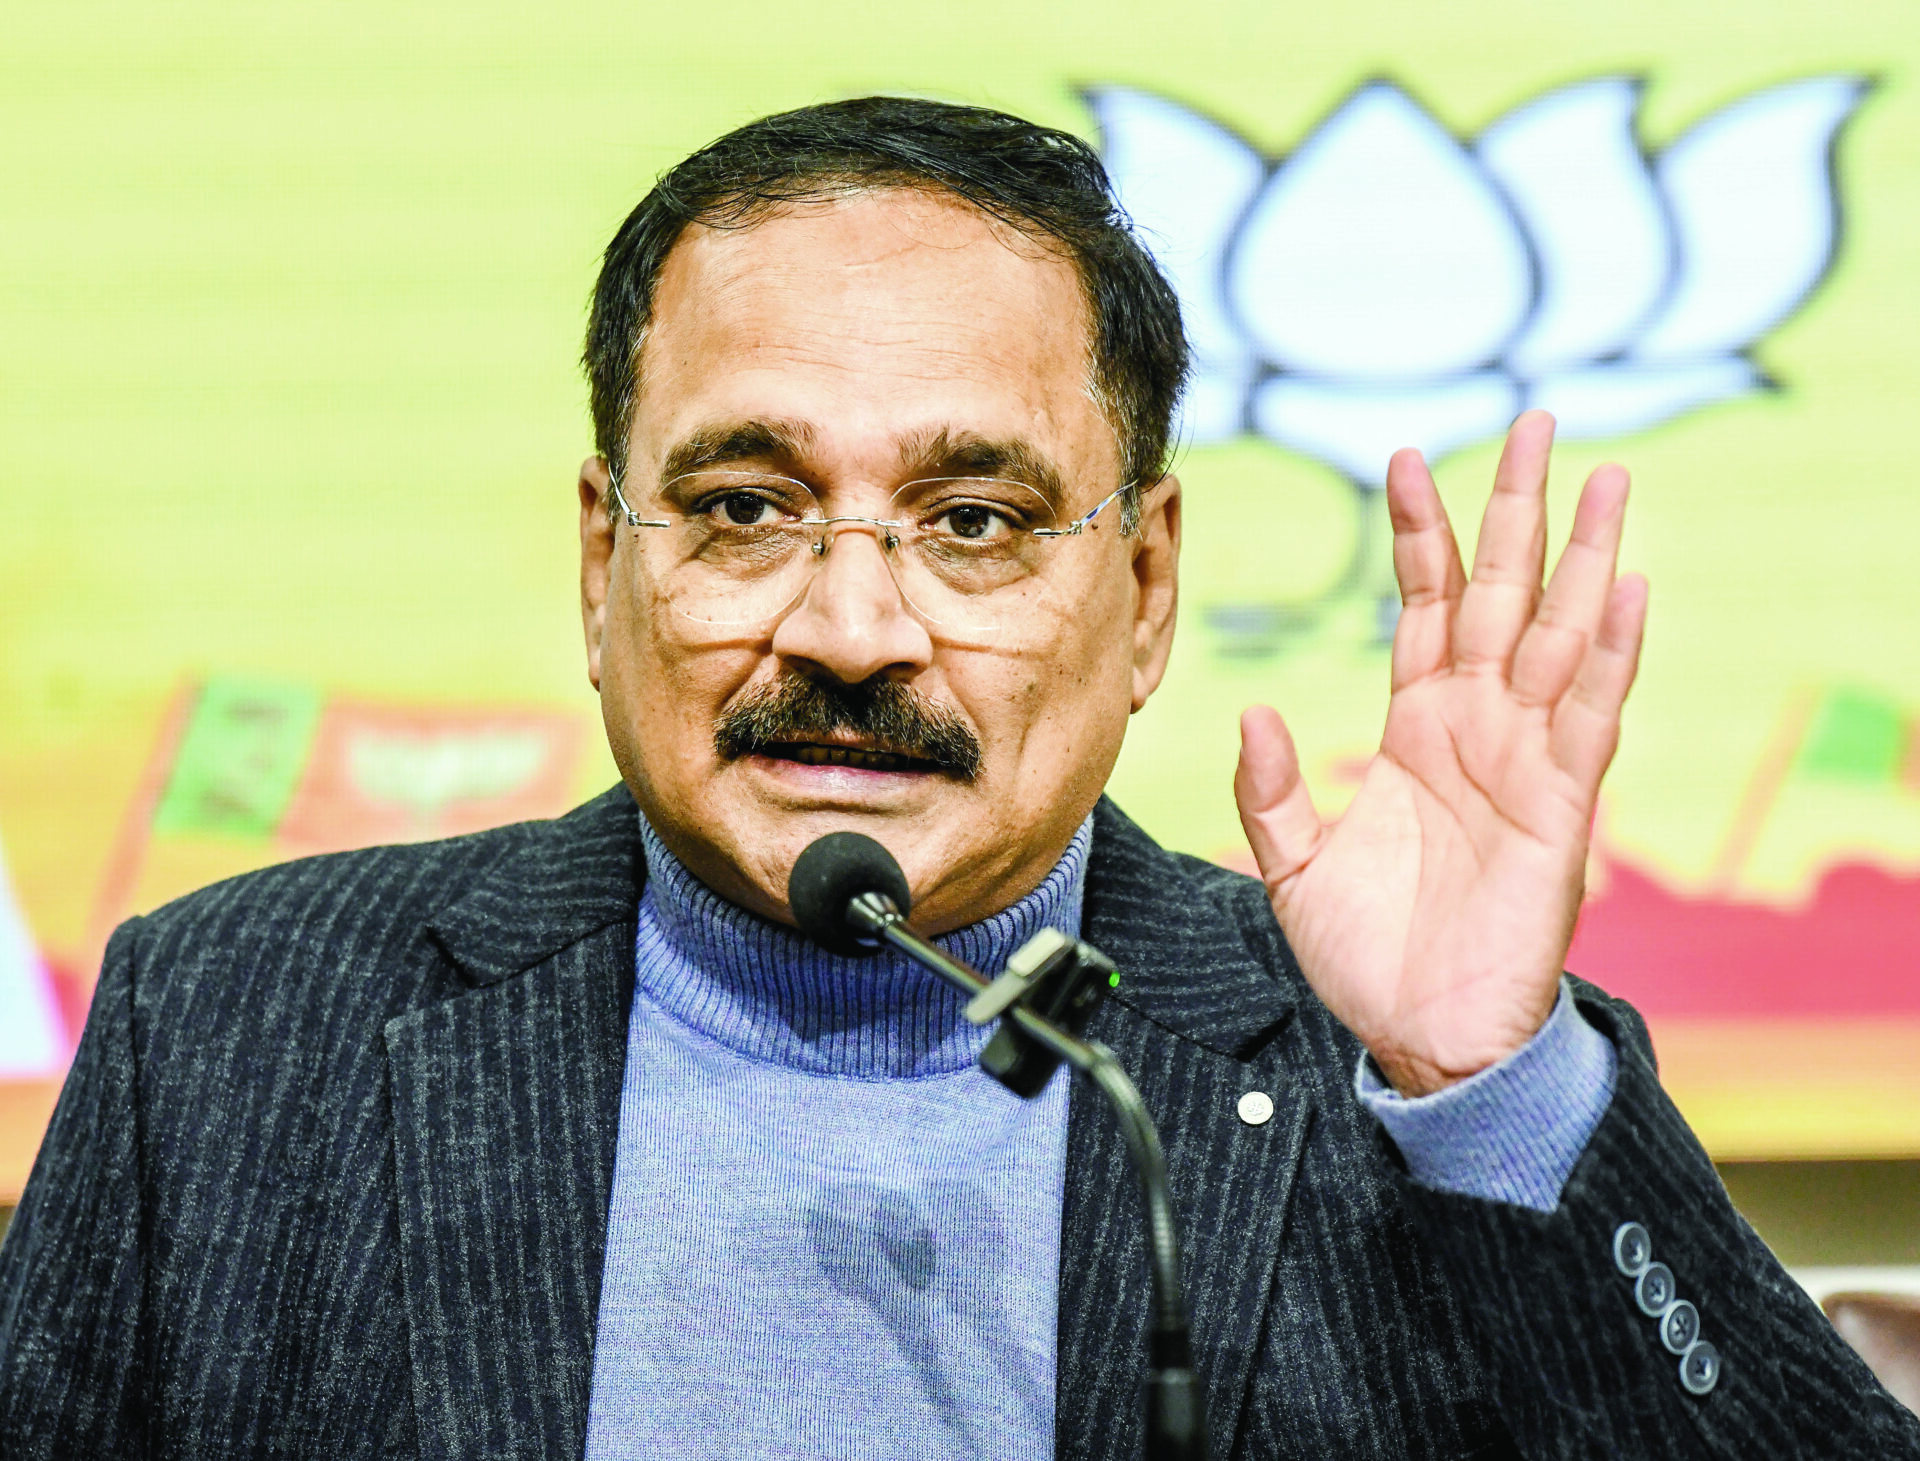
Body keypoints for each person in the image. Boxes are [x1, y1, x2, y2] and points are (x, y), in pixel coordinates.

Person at [0, 97, 1912, 1461]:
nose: (850, 628)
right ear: (605, 566)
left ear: (1144, 589)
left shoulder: (1371, 1067)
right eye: (746, 508)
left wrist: (1488, 1091)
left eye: (973, 520)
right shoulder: (237, 1027)